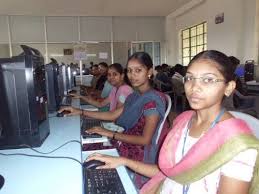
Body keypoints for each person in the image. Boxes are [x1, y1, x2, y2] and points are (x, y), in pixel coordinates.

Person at [86, 50, 259, 194]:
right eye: (190, 78)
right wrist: (122, 161)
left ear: (229, 87)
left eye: (208, 80)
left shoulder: (237, 145)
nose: (194, 87)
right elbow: (170, 173)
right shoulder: (182, 122)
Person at [59, 52, 169, 188]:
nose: (132, 75)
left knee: (88, 157)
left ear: (149, 72)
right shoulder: (135, 96)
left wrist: (110, 134)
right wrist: (80, 111)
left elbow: (145, 140)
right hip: (125, 140)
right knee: (82, 150)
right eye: (129, 71)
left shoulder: (151, 101)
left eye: (138, 70)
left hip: (138, 152)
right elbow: (112, 115)